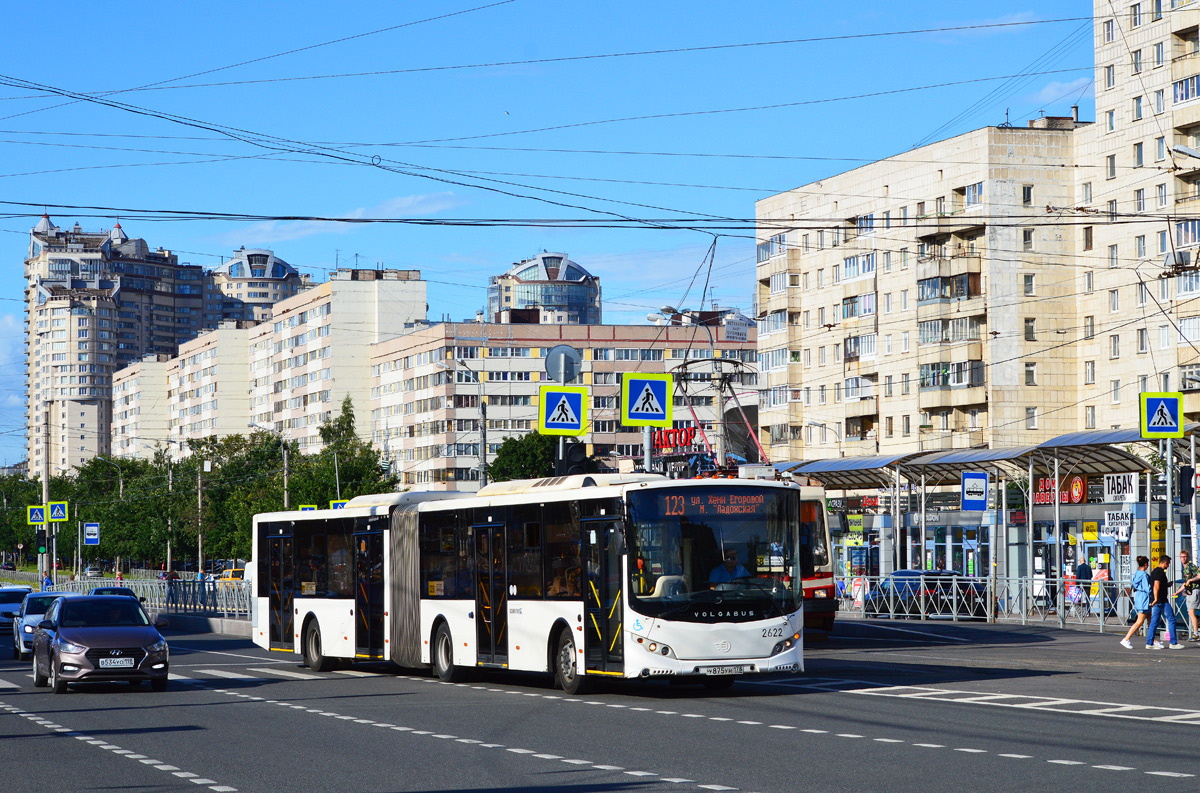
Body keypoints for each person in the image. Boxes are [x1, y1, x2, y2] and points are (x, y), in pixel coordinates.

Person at [1147, 555, 1185, 650]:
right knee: (1171, 619)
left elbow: (1157, 584)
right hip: (1162, 601)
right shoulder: (1160, 572)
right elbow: (1156, 585)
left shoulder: (1154, 571)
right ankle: (1173, 642)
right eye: (1167, 564)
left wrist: (1167, 585)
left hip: (1157, 601)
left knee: (1154, 622)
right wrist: (1156, 598)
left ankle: (1149, 643)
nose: (1168, 566)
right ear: (1164, 563)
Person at [1120, 556, 1152, 649]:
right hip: (1144, 599)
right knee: (1140, 621)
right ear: (1145, 565)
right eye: (1147, 564)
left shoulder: (1137, 573)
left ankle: (1152, 640)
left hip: (1139, 598)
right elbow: (1148, 589)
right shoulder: (1144, 575)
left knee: (1150, 620)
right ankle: (1126, 639)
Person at [1172, 549, 1200, 641]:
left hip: (1194, 590)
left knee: (1191, 612)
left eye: (1185, 557)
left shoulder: (1191, 566)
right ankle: (1195, 632)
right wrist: (1177, 592)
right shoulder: (1184, 569)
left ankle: (1196, 633)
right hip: (1189, 592)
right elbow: (1185, 583)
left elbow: (1199, 576)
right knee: (1190, 612)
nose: (1183, 558)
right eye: (1182, 557)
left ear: (1187, 557)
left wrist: (1191, 580)